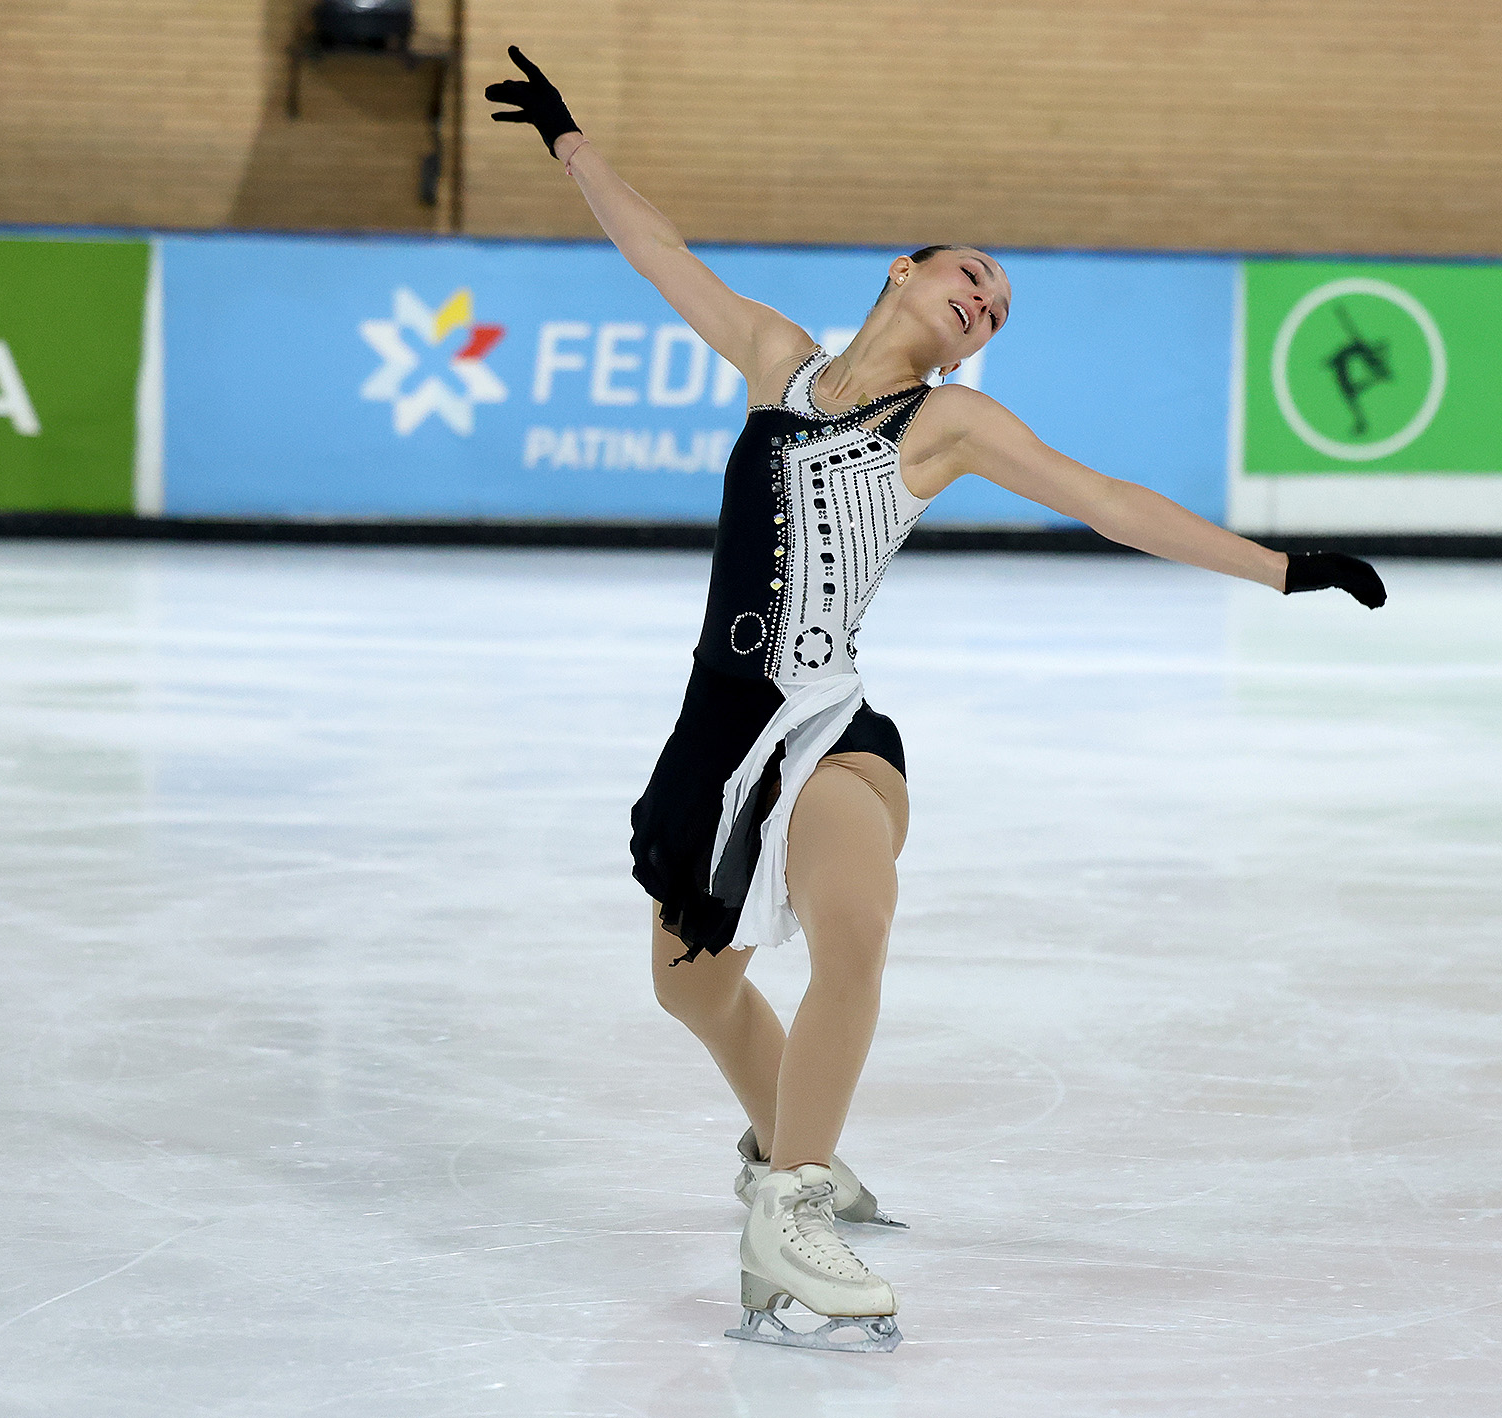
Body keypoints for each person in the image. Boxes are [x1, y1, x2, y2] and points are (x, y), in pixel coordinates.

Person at [487, 48, 1386, 1354]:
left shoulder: (947, 428)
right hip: (720, 730)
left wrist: (1286, 568)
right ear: (902, 271)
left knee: (855, 920)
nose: (988, 301)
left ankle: (792, 1205)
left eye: (1003, 305)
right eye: (974, 274)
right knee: (691, 986)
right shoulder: (775, 360)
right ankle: (791, 1140)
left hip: (833, 723)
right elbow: (656, 250)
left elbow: (1108, 501)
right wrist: (569, 139)